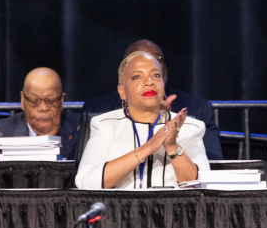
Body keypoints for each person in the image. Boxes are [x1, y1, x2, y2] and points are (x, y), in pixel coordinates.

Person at [75, 51, 211, 188]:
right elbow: (85, 182)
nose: (149, 82)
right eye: (137, 77)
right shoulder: (105, 125)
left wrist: (172, 147)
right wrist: (147, 148)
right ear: (122, 91)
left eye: (156, 75)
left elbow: (204, 186)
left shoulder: (190, 128)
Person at [80, 39, 223, 159]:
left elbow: (214, 164)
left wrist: (170, 129)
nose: (148, 81)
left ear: (164, 73)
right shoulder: (98, 111)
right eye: (138, 74)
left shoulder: (197, 109)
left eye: (155, 71)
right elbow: (80, 165)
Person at [0, 68, 82, 160]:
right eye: (34, 101)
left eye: (51, 101)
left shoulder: (82, 131)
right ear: (23, 100)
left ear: (61, 100)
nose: (43, 108)